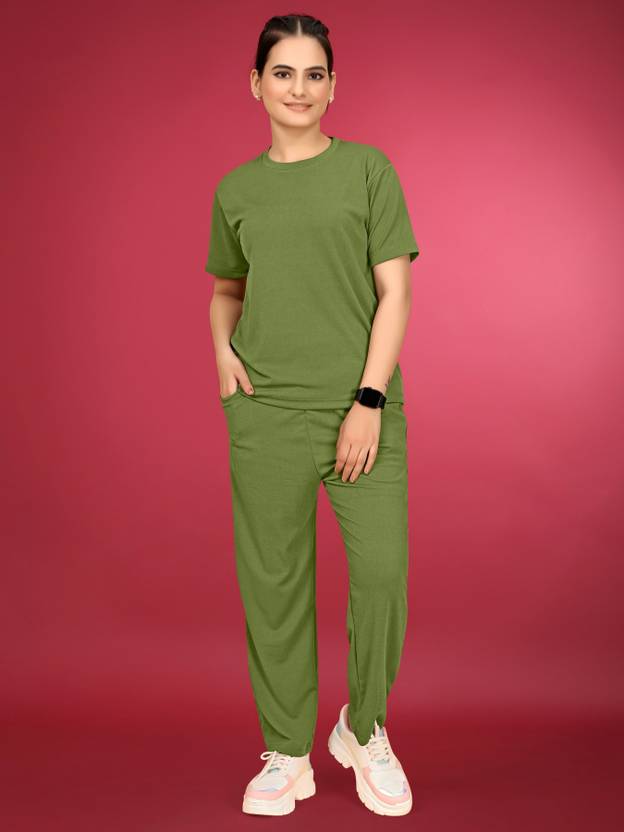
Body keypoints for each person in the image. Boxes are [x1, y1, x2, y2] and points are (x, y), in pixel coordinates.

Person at [205, 13, 420, 817]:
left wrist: (368, 399)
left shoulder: (368, 170)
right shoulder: (236, 190)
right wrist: (222, 353)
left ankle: (363, 729)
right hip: (265, 412)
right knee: (274, 583)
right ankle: (288, 750)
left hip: (361, 409)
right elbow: (227, 289)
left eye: (315, 74)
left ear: (334, 86)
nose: (299, 88)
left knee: (382, 575)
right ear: (256, 84)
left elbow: (395, 291)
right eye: (284, 73)